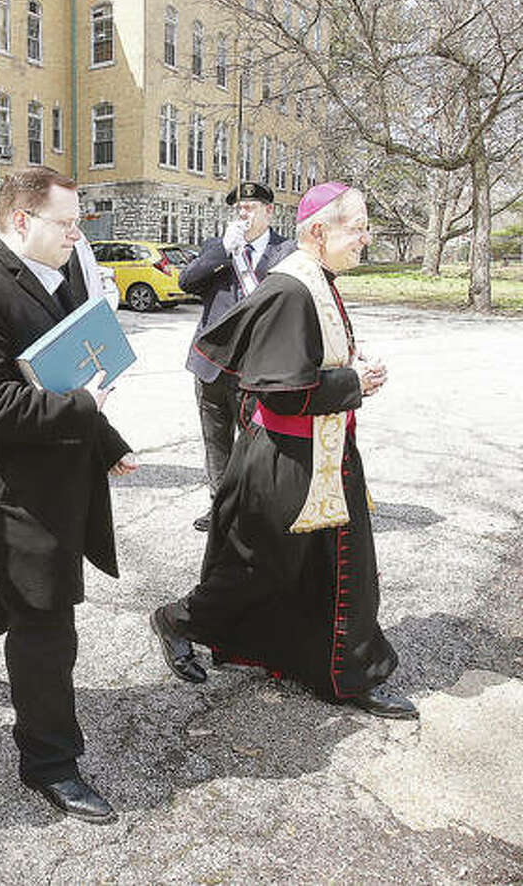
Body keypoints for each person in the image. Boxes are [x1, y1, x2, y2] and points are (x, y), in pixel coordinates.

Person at [0, 166, 139, 824]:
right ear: (19, 221)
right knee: (46, 629)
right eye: (65, 224)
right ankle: (50, 763)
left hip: (57, 480)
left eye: (78, 224)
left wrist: (107, 440)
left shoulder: (58, 275)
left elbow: (67, 371)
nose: (76, 236)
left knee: (21, 595)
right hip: (12, 496)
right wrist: (83, 411)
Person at [150, 182, 416, 720]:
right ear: (318, 231)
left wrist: (350, 363)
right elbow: (280, 391)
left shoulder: (317, 277)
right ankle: (176, 620)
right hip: (288, 459)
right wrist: (354, 383)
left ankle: (343, 671)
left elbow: (304, 361)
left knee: (332, 567)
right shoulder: (292, 288)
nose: (365, 238)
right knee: (259, 570)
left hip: (321, 450)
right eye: (357, 227)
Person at [179, 181, 293, 532]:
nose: (244, 214)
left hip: (257, 366)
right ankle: (221, 508)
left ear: (269, 211)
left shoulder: (287, 251)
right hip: (211, 366)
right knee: (216, 443)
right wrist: (222, 252)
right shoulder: (217, 247)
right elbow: (186, 282)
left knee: (258, 443)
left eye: (251, 207)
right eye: (239, 208)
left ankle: (253, 509)